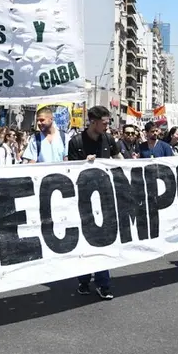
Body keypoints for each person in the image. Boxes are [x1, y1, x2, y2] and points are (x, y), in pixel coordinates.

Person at [67, 106, 122, 300]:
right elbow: (69, 170)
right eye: (105, 122)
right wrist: (84, 163)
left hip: (105, 199)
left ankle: (103, 284)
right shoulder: (76, 142)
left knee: (102, 241)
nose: (108, 126)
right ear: (93, 122)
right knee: (86, 242)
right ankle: (83, 280)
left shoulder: (108, 139)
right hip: (83, 200)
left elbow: (118, 159)